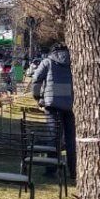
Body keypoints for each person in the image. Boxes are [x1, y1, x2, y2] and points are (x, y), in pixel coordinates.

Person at [30, 43, 76, 179]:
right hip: (70, 104)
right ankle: (73, 170)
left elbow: (36, 80)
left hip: (52, 104)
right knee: (70, 139)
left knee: (54, 136)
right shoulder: (74, 62)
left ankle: (51, 170)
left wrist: (38, 97)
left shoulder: (47, 62)